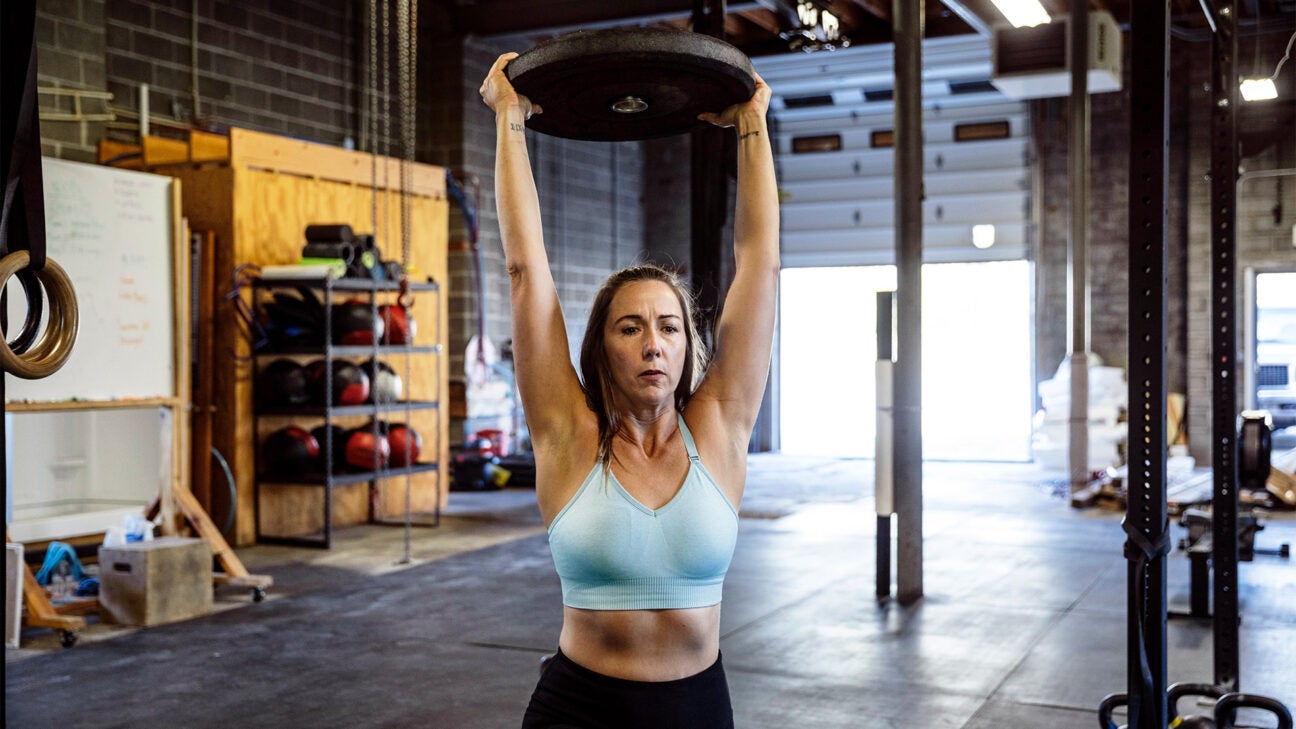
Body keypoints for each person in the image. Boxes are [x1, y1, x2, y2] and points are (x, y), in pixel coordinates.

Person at [480, 50, 779, 729]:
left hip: (697, 706)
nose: (653, 342)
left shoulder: (720, 430)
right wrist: (510, 120)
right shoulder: (567, 435)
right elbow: (528, 271)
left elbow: (760, 267)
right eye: (631, 326)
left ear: (686, 345)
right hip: (579, 709)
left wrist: (751, 127)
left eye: (670, 326)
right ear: (601, 346)